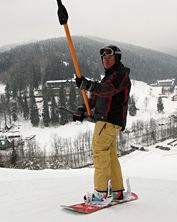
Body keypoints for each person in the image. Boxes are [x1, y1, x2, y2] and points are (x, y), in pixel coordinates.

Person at [73, 45, 131, 203]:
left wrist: (89, 84)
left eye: (110, 57)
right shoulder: (108, 77)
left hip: (108, 122)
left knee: (99, 153)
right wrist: (82, 110)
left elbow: (108, 90)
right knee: (110, 156)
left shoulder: (121, 75)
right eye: (104, 57)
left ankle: (100, 193)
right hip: (108, 122)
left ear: (117, 58)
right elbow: (96, 98)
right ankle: (117, 191)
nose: (106, 59)